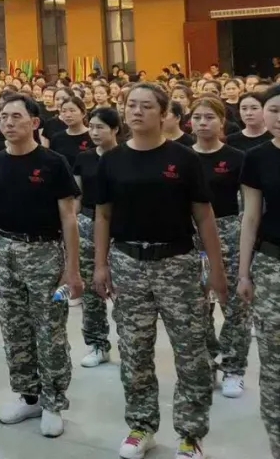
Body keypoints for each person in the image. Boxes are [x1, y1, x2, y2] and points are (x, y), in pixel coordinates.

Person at [94, 84, 226, 459]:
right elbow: (103, 215)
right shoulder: (112, 160)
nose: (137, 112)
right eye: (131, 105)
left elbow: (204, 216)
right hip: (128, 262)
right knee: (134, 351)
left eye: (147, 106)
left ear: (164, 113)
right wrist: (101, 264)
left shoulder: (184, 159)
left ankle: (190, 434)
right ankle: (141, 426)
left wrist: (216, 269)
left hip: (177, 264)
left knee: (191, 353)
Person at [0, 93, 82, 439]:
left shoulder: (53, 163)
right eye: (3, 117)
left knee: (49, 330)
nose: (8, 122)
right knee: (14, 327)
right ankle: (29, 395)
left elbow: (69, 218)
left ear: (34, 123)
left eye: (16, 116)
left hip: (45, 252)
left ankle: (53, 401)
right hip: (5, 251)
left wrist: (72, 269)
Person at [189, 96, 250, 398]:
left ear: (222, 121)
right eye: (197, 117)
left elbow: (249, 206)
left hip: (230, 232)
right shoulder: (183, 157)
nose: (203, 123)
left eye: (209, 117)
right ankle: (210, 360)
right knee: (197, 307)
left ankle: (234, 368)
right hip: (191, 236)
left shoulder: (238, 158)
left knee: (235, 307)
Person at [236, 83, 280, 458]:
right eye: (275, 110)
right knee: (275, 359)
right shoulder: (257, 158)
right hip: (272, 265)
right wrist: (244, 272)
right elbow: (250, 218)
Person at [72, 107, 118, 368]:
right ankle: (97, 344)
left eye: (101, 127)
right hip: (88, 224)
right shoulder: (84, 158)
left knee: (122, 287)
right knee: (91, 289)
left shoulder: (125, 156)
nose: (94, 132)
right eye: (91, 127)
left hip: (120, 225)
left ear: (115, 129)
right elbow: (77, 197)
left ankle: (130, 344)